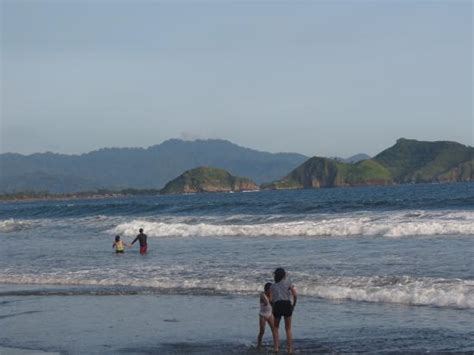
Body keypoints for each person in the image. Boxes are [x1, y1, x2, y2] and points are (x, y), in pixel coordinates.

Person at [270, 268, 297, 354]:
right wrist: (293, 305)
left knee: (276, 328)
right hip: (287, 304)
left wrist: (273, 307)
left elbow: (271, 299)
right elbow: (295, 294)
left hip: (277, 305)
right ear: (284, 275)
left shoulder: (272, 286)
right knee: (288, 328)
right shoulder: (288, 283)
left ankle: (276, 348)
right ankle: (289, 349)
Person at [258, 282, 279, 351]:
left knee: (274, 330)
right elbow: (267, 302)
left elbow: (273, 304)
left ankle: (276, 345)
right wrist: (272, 297)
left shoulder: (272, 294)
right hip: (262, 315)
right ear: (266, 290)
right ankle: (259, 345)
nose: (272, 291)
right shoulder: (262, 295)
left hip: (270, 314)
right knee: (262, 331)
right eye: (271, 289)